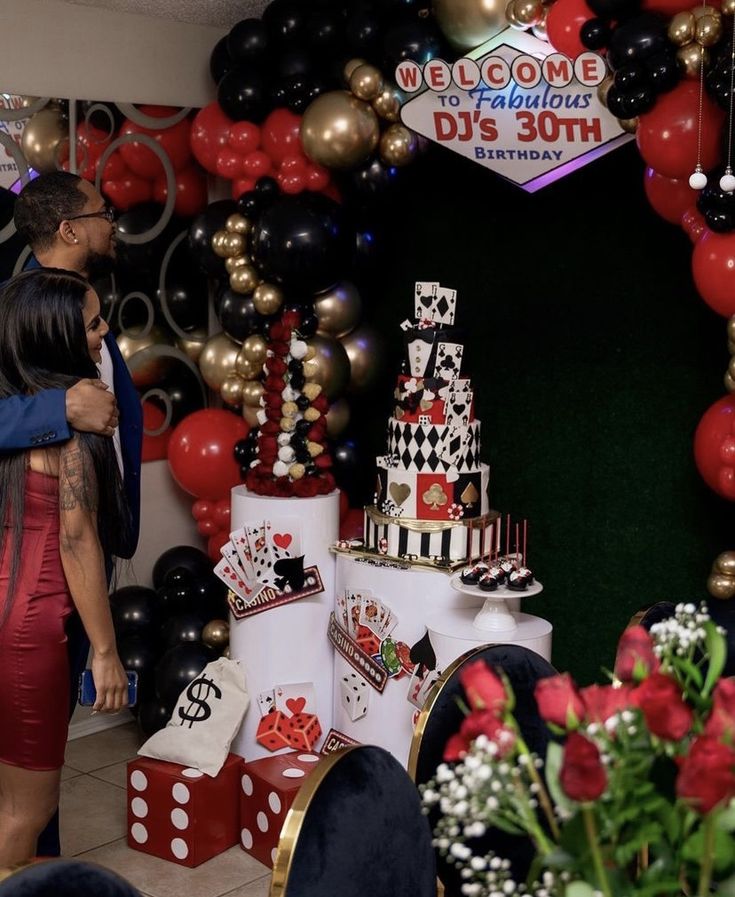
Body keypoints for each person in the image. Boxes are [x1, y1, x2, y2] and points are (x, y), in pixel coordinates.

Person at [9, 171, 143, 856]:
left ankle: (39, 867)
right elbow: (70, 531)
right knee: (27, 788)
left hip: (62, 567)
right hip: (33, 582)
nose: (112, 222)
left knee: (34, 763)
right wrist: (57, 411)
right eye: (103, 212)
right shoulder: (19, 308)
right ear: (69, 227)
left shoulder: (81, 302)